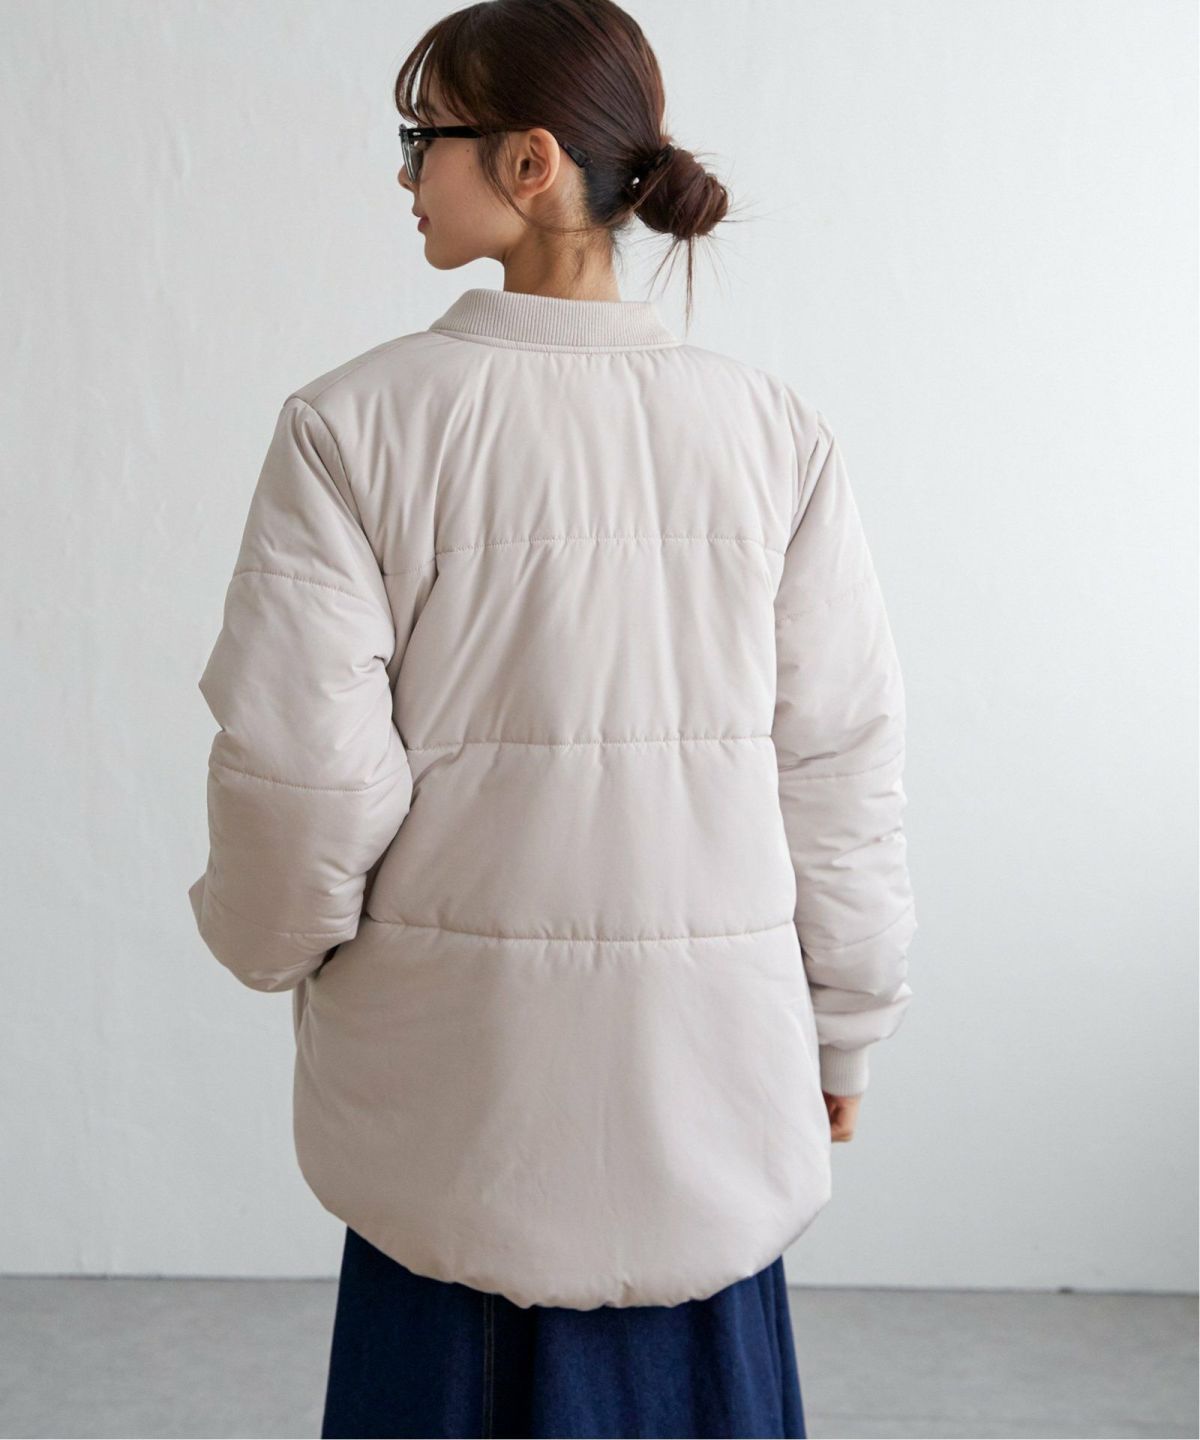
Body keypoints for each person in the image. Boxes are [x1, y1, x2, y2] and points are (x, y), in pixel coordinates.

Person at [186, 1, 917, 1435]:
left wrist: (268, 944)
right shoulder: (773, 432)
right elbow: (838, 771)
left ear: (528, 164)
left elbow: (302, 774)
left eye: (422, 139)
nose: (405, 175)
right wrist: (845, 1033)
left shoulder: (351, 423)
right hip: (706, 1095)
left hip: (458, 1108)